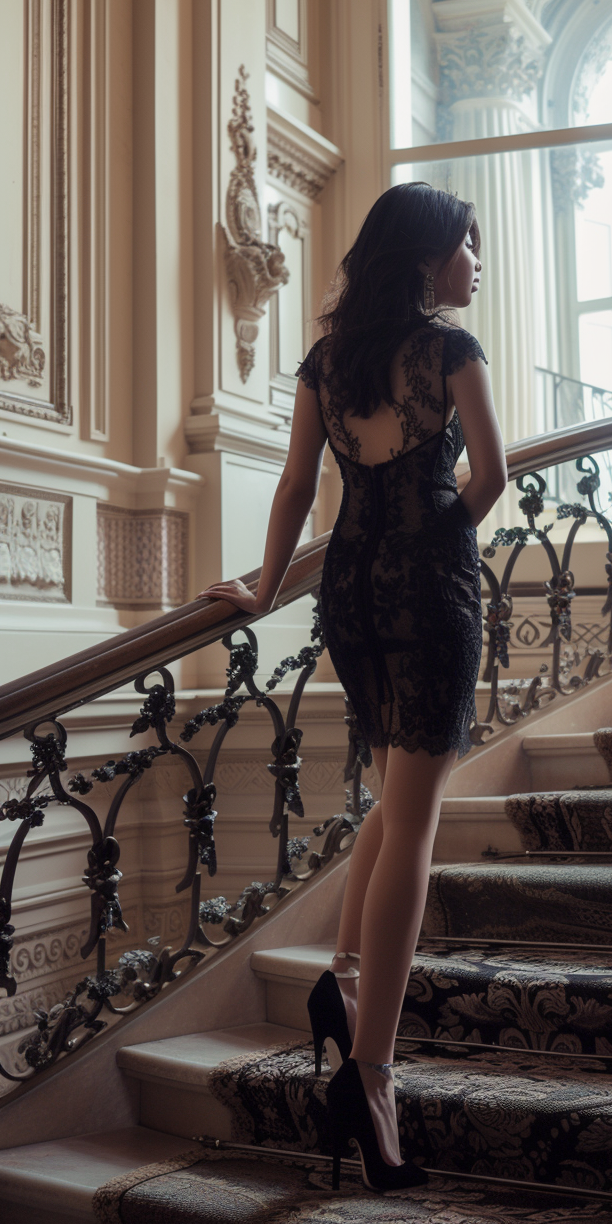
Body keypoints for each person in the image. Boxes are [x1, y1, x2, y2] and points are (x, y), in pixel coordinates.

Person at [198, 181, 507, 1191]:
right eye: (467, 244)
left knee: (395, 791)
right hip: (427, 583)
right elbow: (491, 477)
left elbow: (296, 485)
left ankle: (338, 979)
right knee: (415, 820)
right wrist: (438, 532)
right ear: (425, 257)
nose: (474, 262)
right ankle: (372, 1080)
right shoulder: (450, 353)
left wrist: (260, 587)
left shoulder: (325, 360)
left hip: (346, 589)